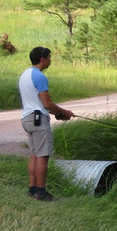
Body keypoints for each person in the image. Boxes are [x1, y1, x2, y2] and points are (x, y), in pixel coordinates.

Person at [19, 46, 74, 201]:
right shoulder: (40, 77)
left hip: (27, 119)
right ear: (43, 59)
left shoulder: (25, 74)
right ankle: (42, 193)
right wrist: (65, 112)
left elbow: (37, 103)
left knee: (34, 154)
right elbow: (47, 103)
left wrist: (58, 114)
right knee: (43, 156)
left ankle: (32, 190)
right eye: (49, 57)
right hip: (38, 121)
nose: (50, 60)